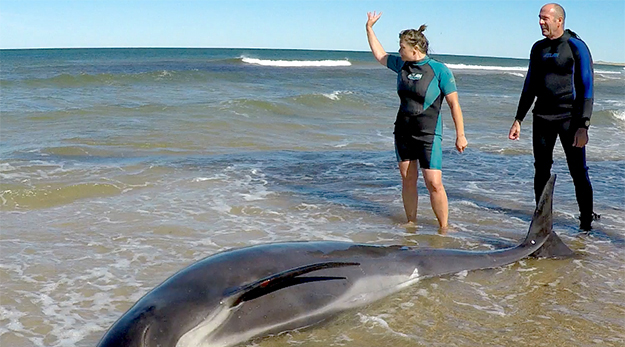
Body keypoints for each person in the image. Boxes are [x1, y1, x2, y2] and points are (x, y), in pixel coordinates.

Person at [366, 12, 467, 230]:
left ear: (414, 48)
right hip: (403, 131)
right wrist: (369, 29)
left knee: (434, 182)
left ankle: (444, 228)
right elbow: (380, 54)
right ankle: (411, 224)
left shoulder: (439, 70)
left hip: (428, 133)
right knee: (408, 179)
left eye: (402, 47)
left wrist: (460, 134)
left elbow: (454, 105)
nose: (399, 50)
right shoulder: (401, 65)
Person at [508, 3, 598, 230]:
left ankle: (586, 222)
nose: (540, 22)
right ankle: (542, 221)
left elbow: (587, 87)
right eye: (539, 18)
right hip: (542, 117)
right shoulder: (538, 48)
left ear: (559, 20)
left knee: (578, 171)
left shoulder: (575, 46)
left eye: (545, 18)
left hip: (570, 119)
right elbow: (530, 85)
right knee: (541, 169)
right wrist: (519, 118)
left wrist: (583, 125)